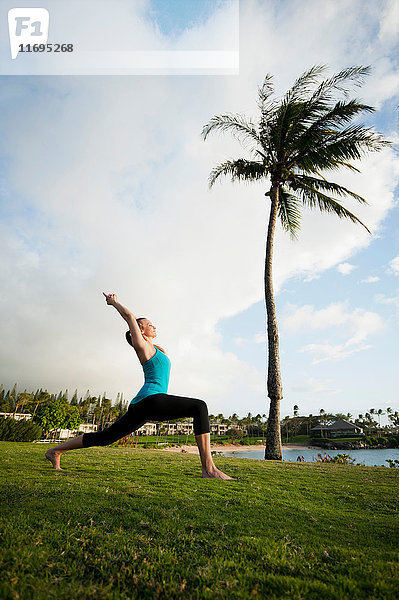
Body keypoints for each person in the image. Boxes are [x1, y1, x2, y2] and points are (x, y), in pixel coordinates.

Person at [45, 293, 234, 480]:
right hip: (150, 400)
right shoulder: (142, 346)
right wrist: (114, 303)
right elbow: (129, 318)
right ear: (140, 330)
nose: (153, 325)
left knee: (105, 437)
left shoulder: (157, 349)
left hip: (143, 405)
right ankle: (208, 469)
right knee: (199, 406)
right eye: (148, 324)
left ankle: (55, 451)